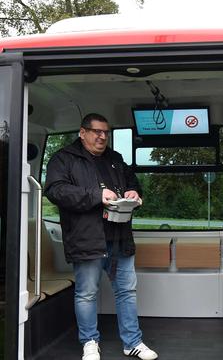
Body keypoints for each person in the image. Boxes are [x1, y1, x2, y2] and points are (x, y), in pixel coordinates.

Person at [44, 113, 158, 360]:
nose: (102, 136)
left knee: (126, 292)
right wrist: (97, 195)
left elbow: (134, 185)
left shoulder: (116, 159)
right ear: (82, 133)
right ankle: (90, 343)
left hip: (119, 238)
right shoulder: (63, 159)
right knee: (86, 294)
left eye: (105, 132)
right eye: (96, 131)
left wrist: (133, 193)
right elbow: (55, 190)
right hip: (87, 240)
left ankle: (132, 342)